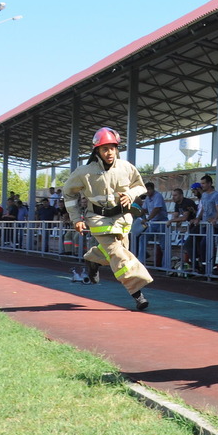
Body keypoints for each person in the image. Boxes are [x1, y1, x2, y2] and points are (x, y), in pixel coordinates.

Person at [62, 127, 152, 310]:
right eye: (105, 149)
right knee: (119, 256)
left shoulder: (126, 167)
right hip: (98, 219)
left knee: (117, 252)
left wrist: (130, 194)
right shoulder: (84, 172)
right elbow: (68, 194)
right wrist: (76, 219)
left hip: (122, 219)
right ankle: (138, 294)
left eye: (112, 148)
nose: (109, 152)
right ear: (97, 151)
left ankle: (93, 259)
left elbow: (140, 186)